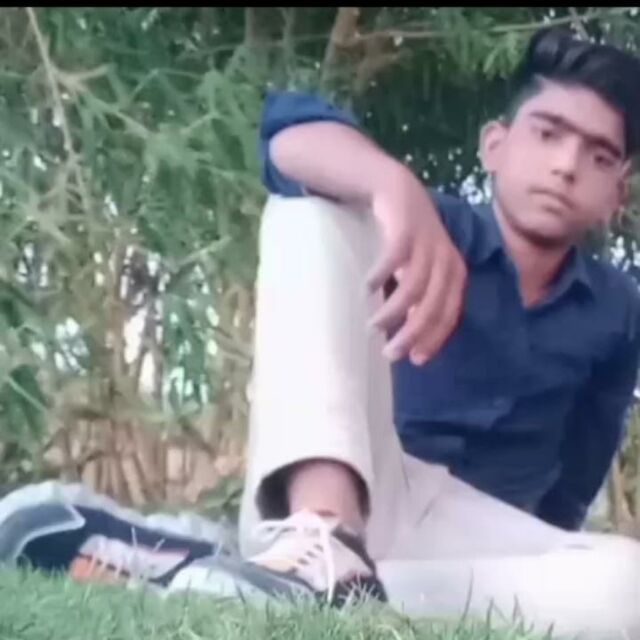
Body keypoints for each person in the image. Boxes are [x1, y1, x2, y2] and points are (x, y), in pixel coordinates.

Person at [1, 26, 639, 638]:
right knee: (314, 204)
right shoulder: (420, 223)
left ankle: (234, 576)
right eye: (548, 133)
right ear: (494, 145)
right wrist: (389, 182)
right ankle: (322, 538)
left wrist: (554, 573)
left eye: (599, 155)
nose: (566, 165)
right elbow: (288, 136)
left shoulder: (617, 311)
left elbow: (572, 484)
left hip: (471, 542)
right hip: (350, 489)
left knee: (629, 585)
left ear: (619, 193)